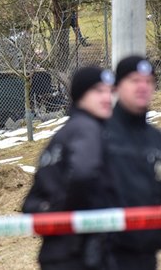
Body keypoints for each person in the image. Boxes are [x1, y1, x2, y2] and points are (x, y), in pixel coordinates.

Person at [22, 66, 116, 269]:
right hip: (80, 252)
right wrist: (74, 216)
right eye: (99, 91)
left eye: (110, 91)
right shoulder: (87, 129)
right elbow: (83, 175)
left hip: (57, 251)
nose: (107, 97)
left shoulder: (62, 135)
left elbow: (30, 204)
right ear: (81, 95)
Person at [103, 55, 161, 270]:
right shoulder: (98, 136)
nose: (143, 87)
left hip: (145, 255)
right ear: (116, 87)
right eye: (134, 80)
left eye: (148, 81)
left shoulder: (159, 141)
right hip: (102, 257)